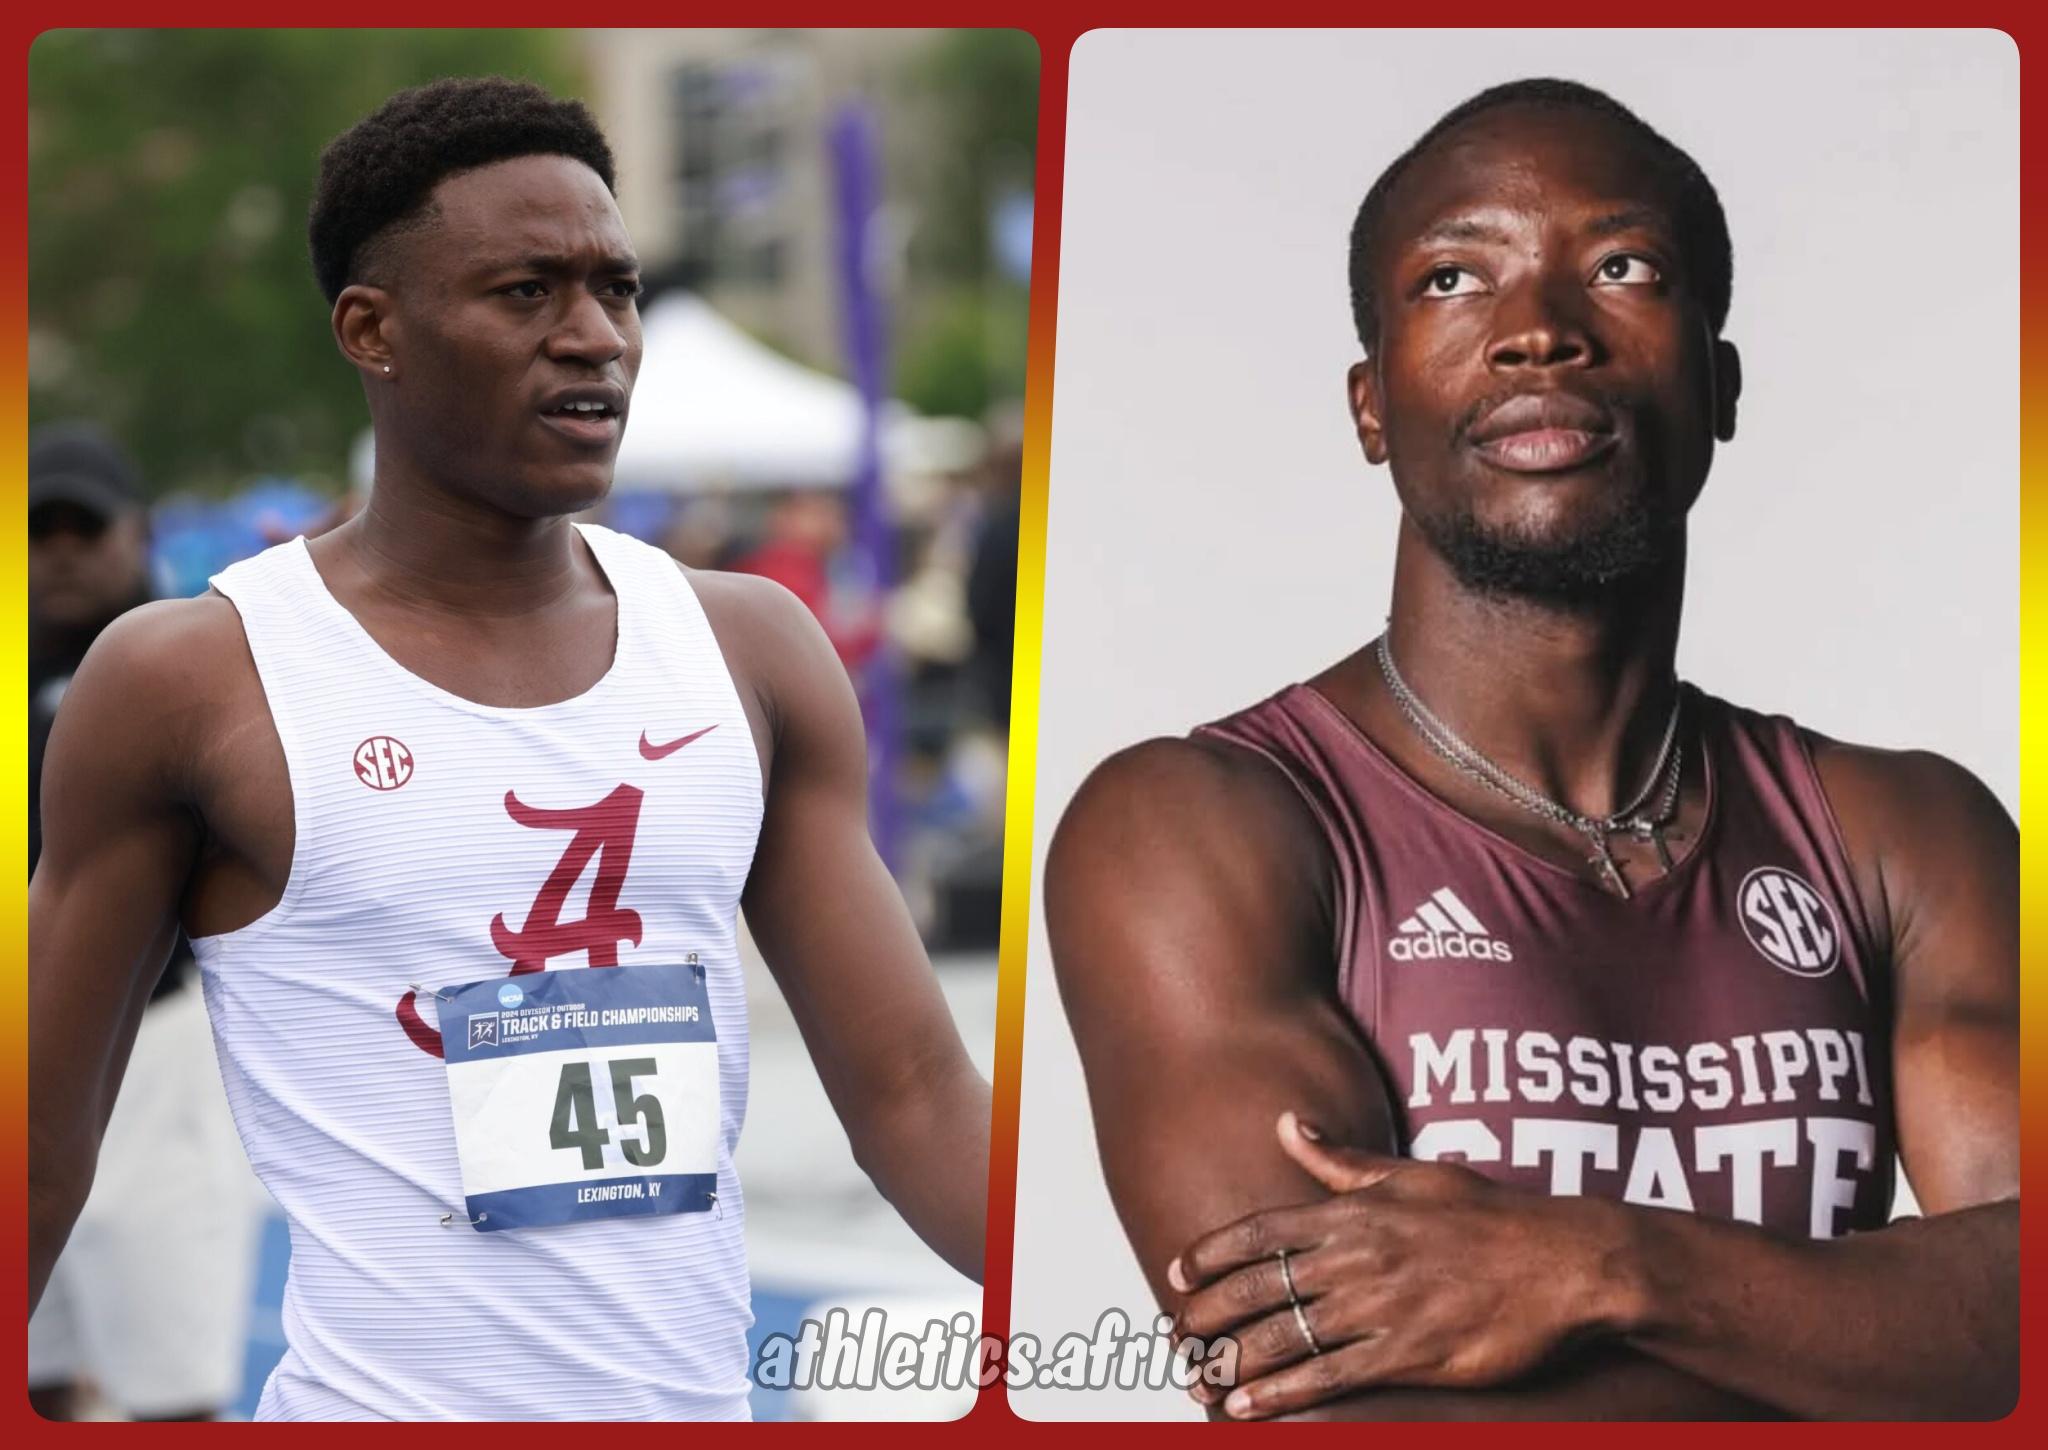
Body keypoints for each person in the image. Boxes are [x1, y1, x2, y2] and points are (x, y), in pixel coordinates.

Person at [1047, 79, 2015, 1420]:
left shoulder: (1908, 835)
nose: (1542, 334)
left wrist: (1598, 1262)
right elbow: (1341, 1396)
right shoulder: (1202, 824)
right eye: (1454, 277)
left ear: (1718, 384)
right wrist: (1870, 1325)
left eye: (1624, 268)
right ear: (1371, 404)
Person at [30, 77, 990, 1421]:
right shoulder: (195, 679)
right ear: (373, 330)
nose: (594, 336)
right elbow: (36, 1148)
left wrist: (1201, 1291)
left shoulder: (750, 650)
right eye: (527, 293)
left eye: (617, 287)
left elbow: (915, 1095)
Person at [27, 426, 260, 1421]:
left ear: (140, 530)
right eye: (40, 529)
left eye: (86, 525)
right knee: (35, 1368)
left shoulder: (191, 662)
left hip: (152, 1042)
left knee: (170, 1379)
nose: (63, 549)